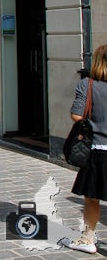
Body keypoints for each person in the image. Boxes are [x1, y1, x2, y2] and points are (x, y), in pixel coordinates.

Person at [62, 44, 107, 253]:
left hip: (97, 149)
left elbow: (77, 115)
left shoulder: (87, 85)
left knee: (92, 198)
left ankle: (88, 239)